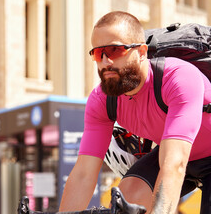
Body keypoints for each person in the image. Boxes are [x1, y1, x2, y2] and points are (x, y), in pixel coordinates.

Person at [59, 11, 211, 214]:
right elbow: (84, 174)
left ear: (141, 52)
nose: (105, 62)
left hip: (181, 156)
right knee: (126, 201)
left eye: (114, 50)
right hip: (172, 156)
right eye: (98, 54)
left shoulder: (178, 78)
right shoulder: (101, 100)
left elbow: (174, 164)